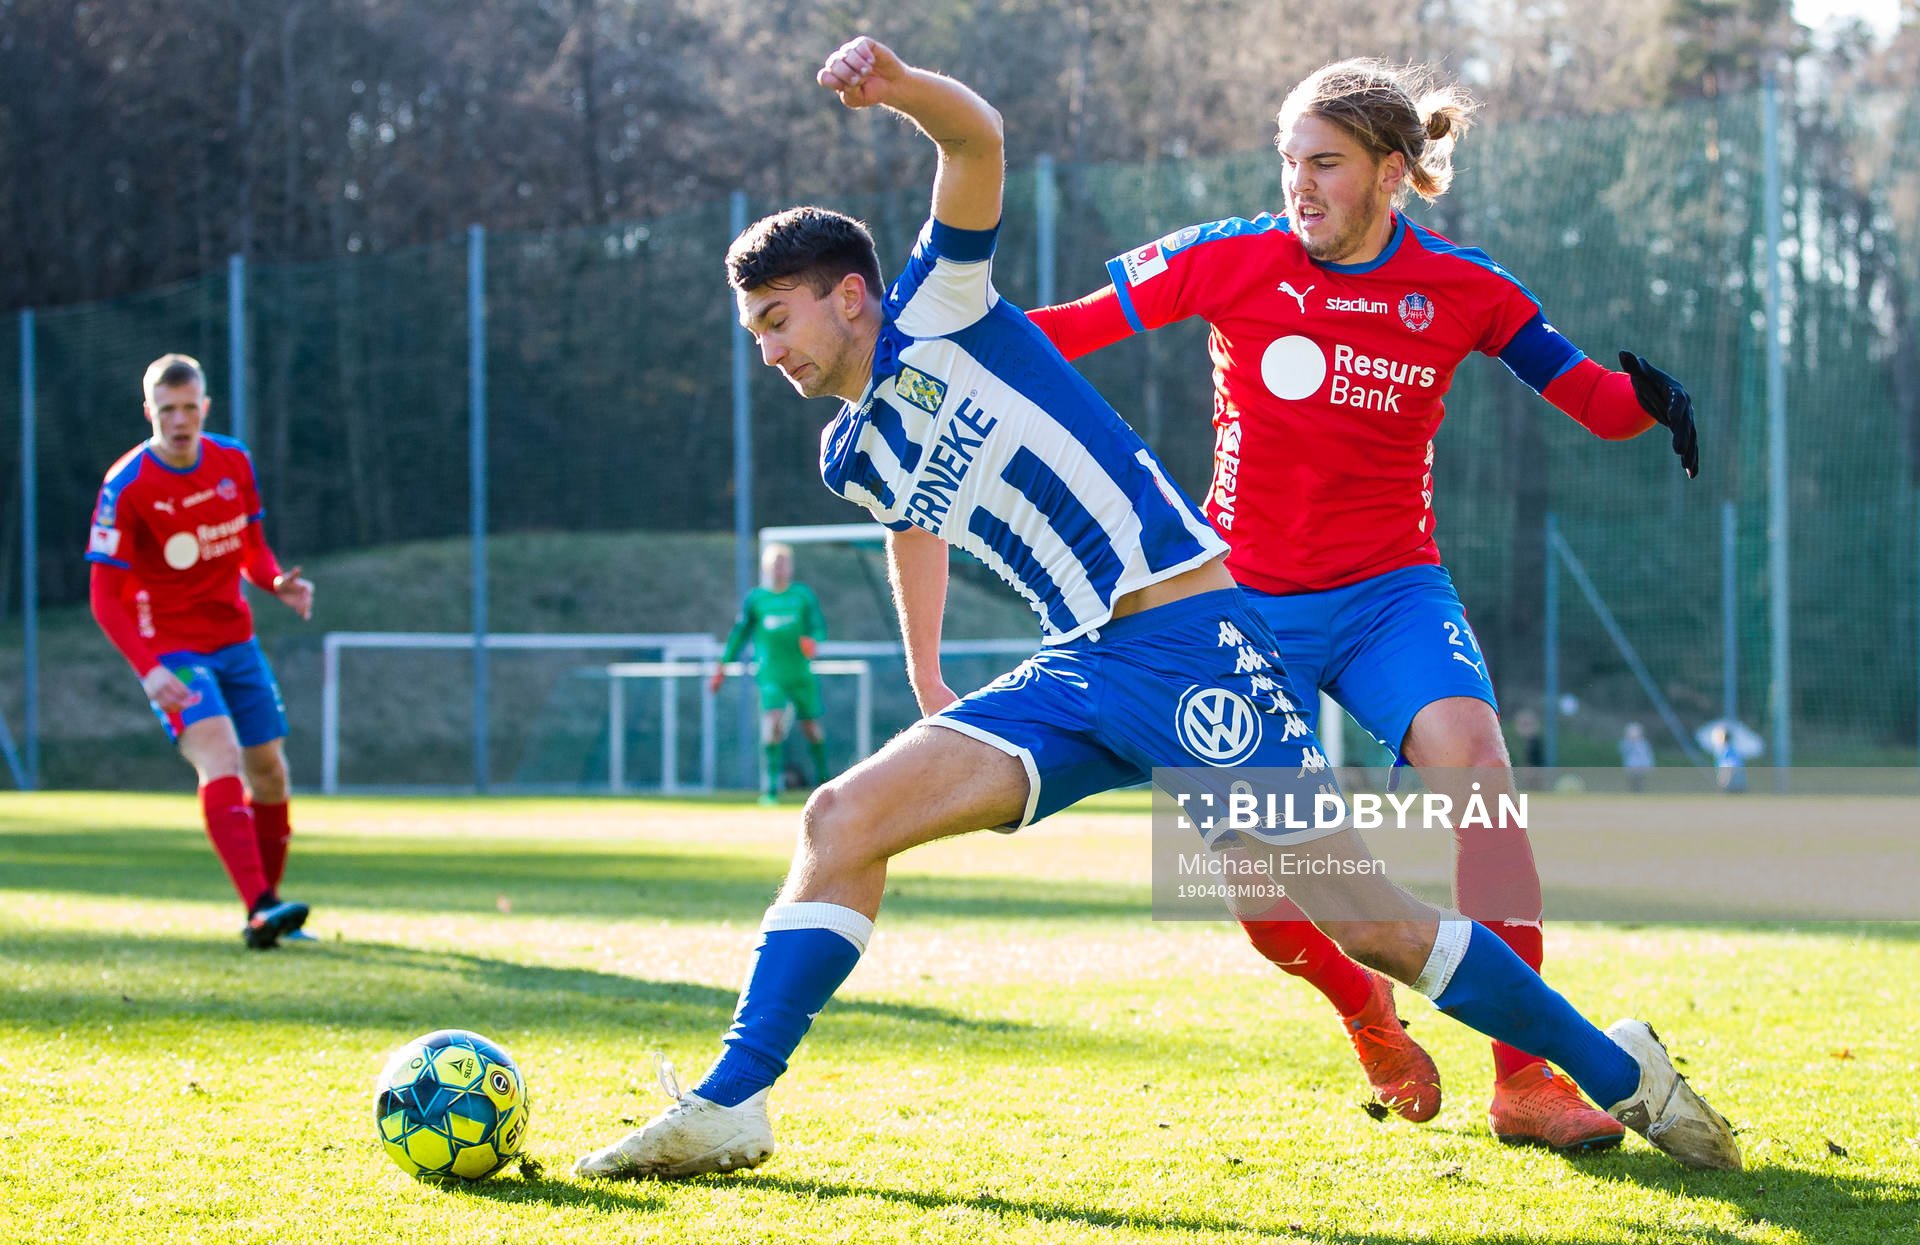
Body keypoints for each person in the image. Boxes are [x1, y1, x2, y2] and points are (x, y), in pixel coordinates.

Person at [573, 37, 1738, 1181]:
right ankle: (730, 1101)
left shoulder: (944, 305)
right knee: (841, 817)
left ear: (849, 295)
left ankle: (1603, 1070)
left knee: (1377, 909)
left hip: (1199, 643)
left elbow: (976, 142)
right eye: (757, 333)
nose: (769, 351)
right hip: (1080, 667)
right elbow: (911, 518)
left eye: (778, 321)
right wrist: (928, 672)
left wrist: (900, 88)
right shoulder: (851, 449)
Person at [1026, 58, 1699, 1154]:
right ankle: (1365, 1011)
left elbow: (1585, 393)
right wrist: (930, 343)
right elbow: (1065, 330)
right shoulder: (1227, 258)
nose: (1299, 182)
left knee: (1481, 780)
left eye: (1325, 162)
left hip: (1391, 591)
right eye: (1289, 159)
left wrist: (1651, 403)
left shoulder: (1464, 287)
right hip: (1238, 606)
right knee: (1260, 892)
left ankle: (1525, 1081)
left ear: (1391, 172)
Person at [85, 354, 314, 949]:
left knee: (270, 772)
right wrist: (148, 669)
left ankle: (270, 912)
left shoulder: (233, 461)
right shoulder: (126, 485)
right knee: (219, 752)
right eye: (167, 410)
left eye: (189, 408)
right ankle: (260, 907)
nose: (180, 421)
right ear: (149, 412)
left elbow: (251, 551)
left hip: (235, 640)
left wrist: (275, 583)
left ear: (205, 407)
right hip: (171, 648)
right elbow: (104, 597)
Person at [710, 542, 832, 803]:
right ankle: (771, 790)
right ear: (766, 568)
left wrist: (813, 641)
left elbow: (818, 627)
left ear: (790, 567)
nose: (779, 569)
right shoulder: (756, 599)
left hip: (800, 673)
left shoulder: (802, 595)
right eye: (775, 564)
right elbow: (739, 635)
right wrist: (723, 665)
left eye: (783, 564)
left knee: (811, 728)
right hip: (771, 674)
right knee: (772, 723)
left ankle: (825, 783)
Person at [1709, 724, 1746, 794]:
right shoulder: (1726, 749)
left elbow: (1731, 767)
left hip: (1732, 779)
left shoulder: (1725, 750)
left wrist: (1724, 780)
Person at [1619, 722, 1654, 792]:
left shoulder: (1643, 743)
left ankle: (1640, 791)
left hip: (1642, 765)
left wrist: (1649, 765)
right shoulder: (1626, 743)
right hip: (1631, 765)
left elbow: (1647, 755)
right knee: (1632, 780)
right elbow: (1622, 750)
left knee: (1641, 780)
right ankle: (1633, 791)